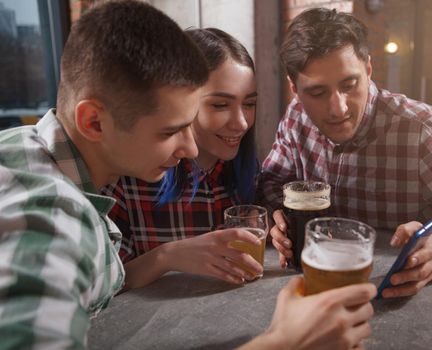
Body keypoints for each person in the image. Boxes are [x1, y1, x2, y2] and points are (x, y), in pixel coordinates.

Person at [0, 2, 375, 349]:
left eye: (249, 104)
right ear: (93, 121)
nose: (191, 150)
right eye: (169, 130)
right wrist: (282, 342)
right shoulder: (52, 217)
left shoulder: (25, 147)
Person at [259, 8, 432, 299]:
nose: (339, 109)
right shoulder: (297, 117)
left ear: (368, 70)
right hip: (310, 295)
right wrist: (278, 220)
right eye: (317, 93)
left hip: (406, 302)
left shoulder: (424, 131)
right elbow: (271, 182)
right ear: (295, 89)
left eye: (349, 85)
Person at [102, 28, 262, 288]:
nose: (241, 123)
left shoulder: (247, 168)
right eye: (220, 105)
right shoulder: (132, 173)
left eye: (249, 104)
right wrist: (167, 257)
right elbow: (102, 286)